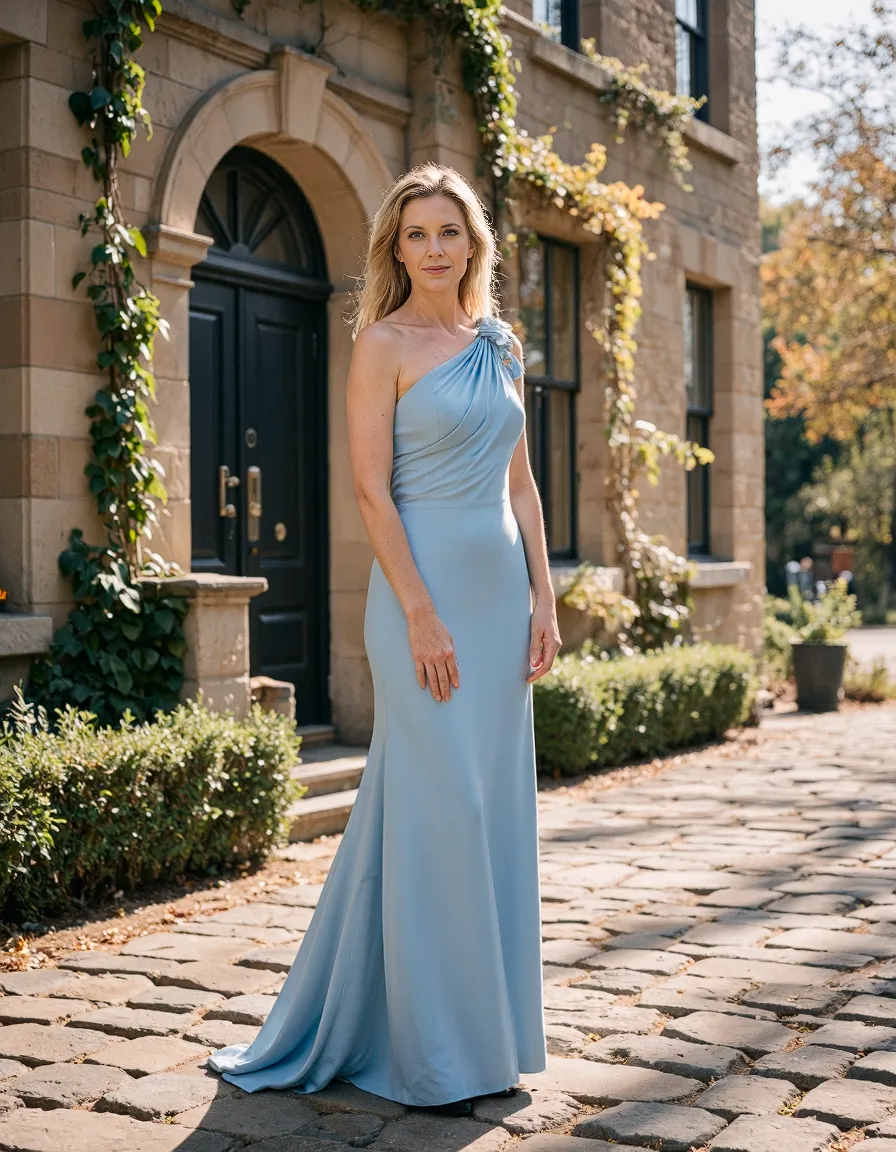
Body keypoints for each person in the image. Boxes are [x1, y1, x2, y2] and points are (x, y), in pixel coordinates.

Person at [208, 163, 559, 1115]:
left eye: (451, 231)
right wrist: (419, 611)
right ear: (396, 248)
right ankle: (435, 1055)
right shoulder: (382, 343)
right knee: (444, 810)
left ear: (474, 243)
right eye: (417, 234)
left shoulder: (501, 343)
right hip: (421, 594)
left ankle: (488, 1037)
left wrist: (545, 597)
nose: (435, 248)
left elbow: (521, 486)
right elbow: (371, 490)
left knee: (485, 810)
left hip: (498, 597)